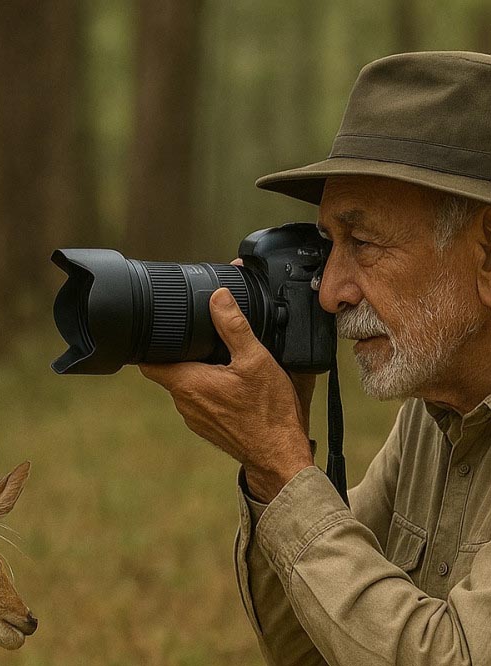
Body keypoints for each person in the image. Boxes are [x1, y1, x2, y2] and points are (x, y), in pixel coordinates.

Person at [141, 51, 491, 665]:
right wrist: (271, 458)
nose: (329, 292)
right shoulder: (437, 415)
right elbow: (309, 646)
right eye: (328, 245)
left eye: (362, 243)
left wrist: (284, 468)